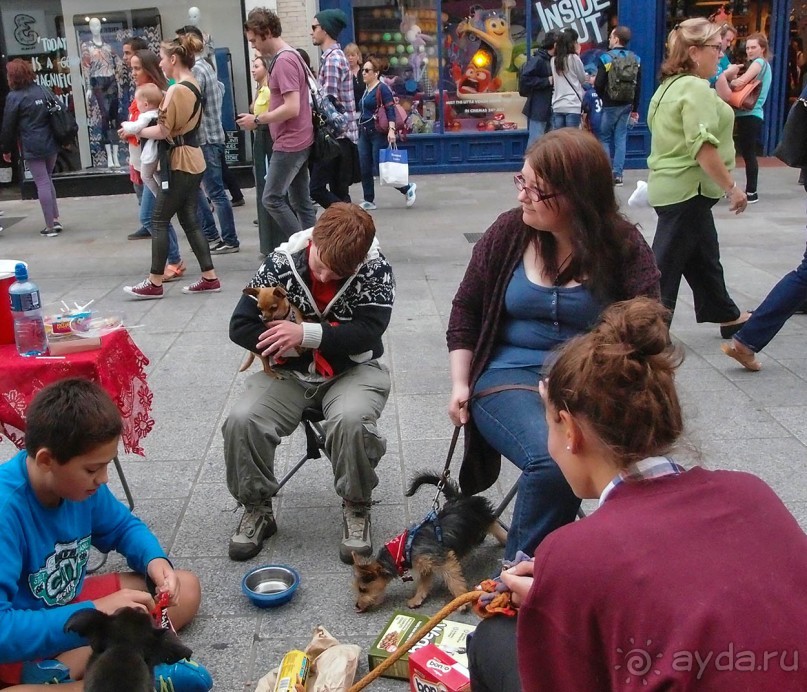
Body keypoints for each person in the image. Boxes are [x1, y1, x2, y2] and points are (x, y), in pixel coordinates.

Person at [467, 297, 807, 691]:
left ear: (570, 430)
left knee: (493, 640)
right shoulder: (752, 491)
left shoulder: (573, 551)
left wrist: (553, 604)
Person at [446, 128, 660, 561]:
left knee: (599, 458)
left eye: (535, 189)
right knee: (554, 458)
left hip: (589, 385)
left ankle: (558, 567)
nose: (522, 195)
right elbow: (466, 309)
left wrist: (599, 373)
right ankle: (518, 582)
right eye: (520, 181)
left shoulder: (622, 245)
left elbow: (649, 326)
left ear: (575, 196)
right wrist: (459, 383)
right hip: (509, 378)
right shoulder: (510, 232)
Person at [0, 378, 212, 691]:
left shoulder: (81, 488)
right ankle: (120, 678)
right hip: (19, 639)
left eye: (106, 465)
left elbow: (123, 527)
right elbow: (4, 631)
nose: (103, 478)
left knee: (187, 588)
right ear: (47, 460)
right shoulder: (7, 508)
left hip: (66, 611)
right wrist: (98, 611)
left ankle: (83, 670)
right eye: (91, 469)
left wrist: (155, 563)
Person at [223, 203, 394, 564]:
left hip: (353, 370)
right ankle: (256, 507)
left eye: (339, 273)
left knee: (352, 420)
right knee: (242, 419)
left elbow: (368, 331)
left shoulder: (375, 270)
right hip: (288, 372)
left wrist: (306, 334)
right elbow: (240, 325)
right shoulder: (280, 265)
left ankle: (357, 505)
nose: (328, 277)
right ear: (313, 240)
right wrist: (275, 341)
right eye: (321, 266)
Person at [647, 17, 750, 337]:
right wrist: (732, 188)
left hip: (675, 186)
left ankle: (725, 313)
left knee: (704, 256)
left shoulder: (669, 87)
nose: (720, 54)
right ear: (693, 52)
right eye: (716, 48)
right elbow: (702, 146)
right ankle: (645, 330)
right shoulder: (695, 89)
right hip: (687, 189)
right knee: (664, 266)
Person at [123, 33, 221, 299]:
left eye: (163, 58)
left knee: (158, 219)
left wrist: (136, 131)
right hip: (192, 158)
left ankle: (154, 282)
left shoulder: (177, 89)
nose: (161, 64)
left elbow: (164, 129)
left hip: (180, 161)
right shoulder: (191, 84)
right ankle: (209, 276)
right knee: (189, 219)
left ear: (174, 58)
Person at [237, 8, 316, 242]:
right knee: (301, 202)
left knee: (271, 198)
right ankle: (315, 249)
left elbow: (292, 107)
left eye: (253, 40)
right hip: (299, 138)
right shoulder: (291, 55)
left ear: (267, 32)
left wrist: (258, 119)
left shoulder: (284, 61)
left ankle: (303, 247)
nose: (253, 46)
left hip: (291, 141)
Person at [175, 25, 241, 255]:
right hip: (212, 136)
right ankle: (213, 234)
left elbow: (190, 104)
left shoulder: (199, 72)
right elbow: (220, 91)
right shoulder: (207, 68)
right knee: (203, 190)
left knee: (215, 193)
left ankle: (229, 239)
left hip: (206, 138)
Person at [121, 49, 186, 282]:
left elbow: (161, 129)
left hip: (156, 163)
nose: (134, 72)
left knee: (151, 216)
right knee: (157, 216)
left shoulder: (159, 95)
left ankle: (174, 260)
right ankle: (174, 260)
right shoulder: (144, 94)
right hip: (143, 161)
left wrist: (134, 130)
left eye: (137, 67)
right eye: (132, 68)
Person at [1, 59, 63, 237]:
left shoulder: (14, 97)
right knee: (47, 179)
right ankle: (55, 218)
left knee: (41, 182)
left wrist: (6, 149)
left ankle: (50, 226)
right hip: (51, 141)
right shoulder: (42, 90)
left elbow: (8, 126)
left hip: (31, 143)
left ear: (13, 76)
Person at [309, 10, 359, 209]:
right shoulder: (335, 57)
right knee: (340, 192)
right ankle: (353, 233)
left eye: (314, 27)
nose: (311, 32)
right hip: (343, 138)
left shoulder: (332, 60)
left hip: (335, 138)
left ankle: (354, 223)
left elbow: (327, 104)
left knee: (317, 189)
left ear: (326, 29)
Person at [356, 56, 417, 211]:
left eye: (367, 70)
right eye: (363, 70)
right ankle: (368, 199)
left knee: (381, 168)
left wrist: (391, 130)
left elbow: (390, 110)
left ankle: (407, 188)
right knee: (364, 167)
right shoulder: (366, 89)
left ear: (376, 73)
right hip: (364, 133)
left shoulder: (382, 88)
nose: (363, 73)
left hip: (377, 133)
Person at [718, 33, 772, 204]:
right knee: (746, 152)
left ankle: (751, 191)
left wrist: (727, 78)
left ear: (762, 49)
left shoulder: (759, 63)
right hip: (749, 113)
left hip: (750, 113)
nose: (749, 51)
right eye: (747, 47)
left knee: (747, 153)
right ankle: (748, 190)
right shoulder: (763, 65)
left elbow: (741, 82)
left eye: (753, 47)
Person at [594, 25, 641, 186]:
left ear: (616, 39)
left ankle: (606, 174)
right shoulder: (636, 59)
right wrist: (635, 108)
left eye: (611, 36)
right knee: (621, 138)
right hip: (627, 104)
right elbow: (638, 85)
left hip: (610, 103)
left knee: (605, 138)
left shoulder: (606, 58)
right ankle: (618, 175)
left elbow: (599, 84)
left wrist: (603, 97)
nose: (609, 39)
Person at [80, 18, 120, 168]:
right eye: (92, 25)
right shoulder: (87, 46)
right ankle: (109, 155)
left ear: (101, 26)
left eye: (97, 25)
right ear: (89, 28)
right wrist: (89, 87)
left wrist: (118, 80)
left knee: (114, 117)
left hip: (111, 80)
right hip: (98, 81)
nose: (95, 28)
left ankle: (116, 156)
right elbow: (86, 67)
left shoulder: (109, 47)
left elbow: (117, 64)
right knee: (105, 116)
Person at [249, 54, 275, 256]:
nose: (253, 69)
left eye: (257, 66)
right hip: (261, 138)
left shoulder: (268, 91)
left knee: (269, 189)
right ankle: (267, 241)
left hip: (267, 137)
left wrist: (255, 119)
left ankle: (272, 240)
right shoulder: (261, 90)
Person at [120, 83, 163, 197]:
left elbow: (136, 127)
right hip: (157, 149)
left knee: (146, 176)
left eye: (137, 102)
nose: (136, 105)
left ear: (145, 104)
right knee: (156, 173)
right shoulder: (158, 113)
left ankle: (159, 196)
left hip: (150, 151)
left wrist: (125, 125)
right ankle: (163, 192)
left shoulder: (146, 116)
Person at [519, 32, 556, 148]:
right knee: (536, 142)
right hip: (538, 108)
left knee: (548, 143)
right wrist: (547, 81)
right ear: (555, 45)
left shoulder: (553, 60)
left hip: (550, 106)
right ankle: (531, 165)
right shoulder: (538, 60)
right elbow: (525, 79)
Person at [550, 29, 586, 130]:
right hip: (572, 104)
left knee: (560, 141)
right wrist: (578, 54)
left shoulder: (553, 60)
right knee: (572, 140)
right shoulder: (574, 58)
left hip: (557, 104)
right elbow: (582, 79)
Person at [580, 65, 602, 137]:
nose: (591, 78)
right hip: (605, 120)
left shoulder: (589, 93)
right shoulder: (605, 92)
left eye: (593, 76)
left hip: (594, 120)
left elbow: (584, 109)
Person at [344, 43, 364, 112]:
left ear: (358, 56)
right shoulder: (344, 73)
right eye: (348, 55)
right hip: (350, 110)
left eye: (353, 55)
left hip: (365, 110)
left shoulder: (364, 70)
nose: (350, 58)